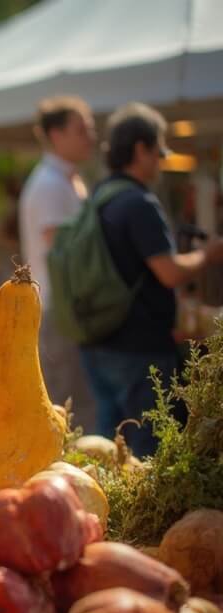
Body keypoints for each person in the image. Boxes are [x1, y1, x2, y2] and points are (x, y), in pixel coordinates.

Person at [80, 102, 223, 456]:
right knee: (148, 452)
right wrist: (207, 255)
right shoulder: (138, 202)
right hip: (139, 347)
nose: (160, 162)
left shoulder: (99, 196)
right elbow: (169, 271)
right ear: (140, 149)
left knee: (106, 449)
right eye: (158, 153)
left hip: (98, 339)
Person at [19, 95, 98, 431]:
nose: (91, 137)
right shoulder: (49, 184)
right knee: (68, 407)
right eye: (82, 129)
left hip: (69, 308)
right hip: (58, 308)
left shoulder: (67, 180)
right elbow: (64, 250)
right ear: (56, 136)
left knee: (78, 403)